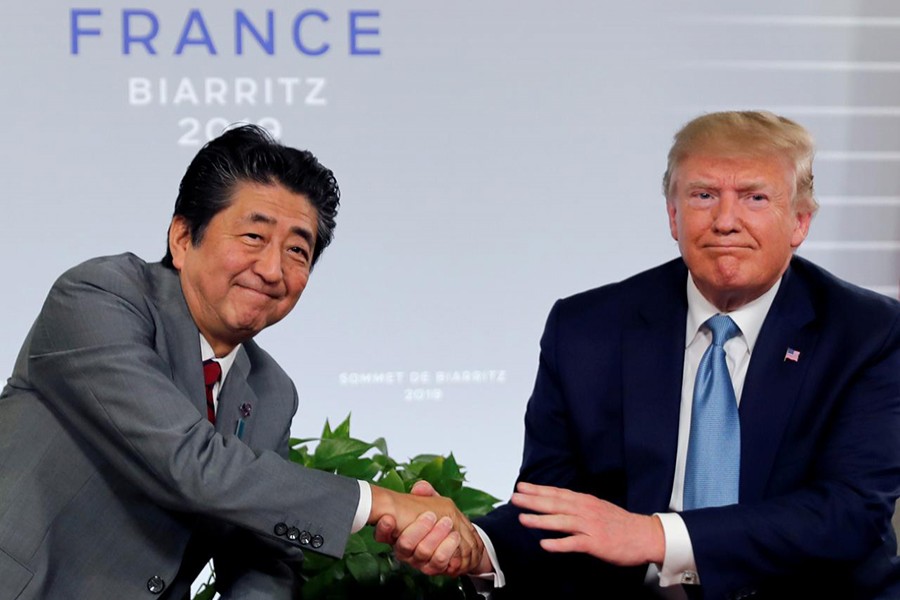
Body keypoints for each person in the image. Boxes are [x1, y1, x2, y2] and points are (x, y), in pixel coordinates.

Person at [376, 111, 900, 599]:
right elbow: (556, 505)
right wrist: (476, 547)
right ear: (673, 215)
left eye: (755, 198)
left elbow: (849, 514)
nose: (725, 220)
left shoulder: (867, 332)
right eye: (702, 196)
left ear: (800, 222)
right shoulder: (587, 329)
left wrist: (654, 536)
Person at [0, 124, 480, 599]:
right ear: (183, 238)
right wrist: (380, 502)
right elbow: (189, 463)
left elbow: (262, 555)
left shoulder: (272, 389)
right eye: (253, 236)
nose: (273, 270)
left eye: (297, 250)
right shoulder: (99, 296)